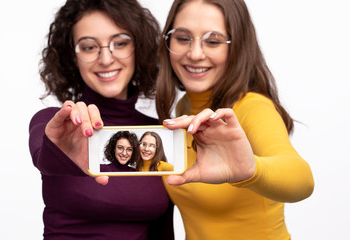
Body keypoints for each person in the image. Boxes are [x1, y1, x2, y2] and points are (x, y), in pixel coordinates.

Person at [155, 0, 315, 239]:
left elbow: (301, 179)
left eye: (213, 41)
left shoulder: (252, 107)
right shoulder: (184, 108)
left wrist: (251, 171)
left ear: (237, 46)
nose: (195, 54)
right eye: (182, 38)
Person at [28, 0, 174, 239]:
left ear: (138, 48)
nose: (106, 59)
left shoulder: (158, 134)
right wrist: (61, 151)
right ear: (72, 57)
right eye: (89, 47)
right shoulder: (54, 124)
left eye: (120, 43)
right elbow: (45, 157)